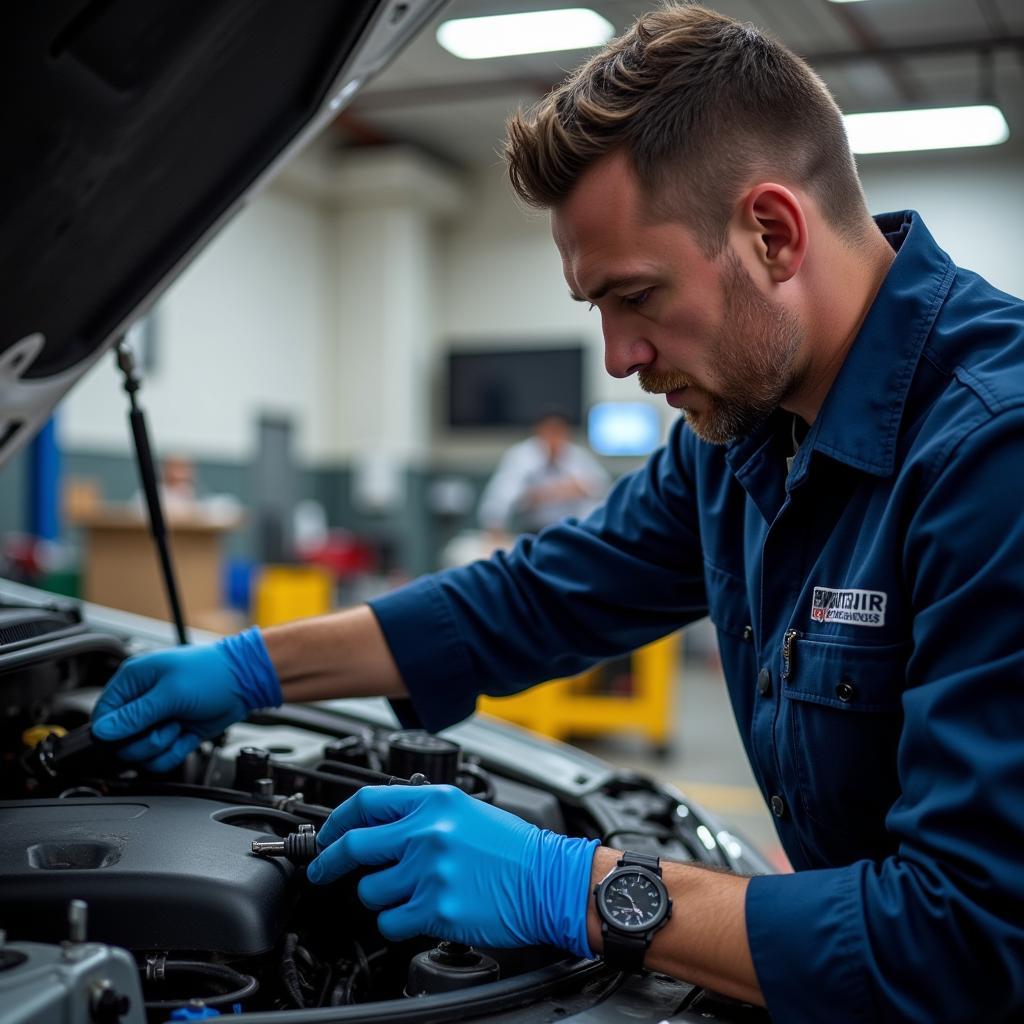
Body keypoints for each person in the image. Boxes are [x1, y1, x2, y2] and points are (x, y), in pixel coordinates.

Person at [89, 5, 1024, 1020]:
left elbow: (967, 940)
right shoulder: (740, 436)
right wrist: (251, 668)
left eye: (638, 296)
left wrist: (573, 889)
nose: (619, 358)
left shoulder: (992, 454)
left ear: (772, 232)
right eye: (598, 310)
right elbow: (538, 596)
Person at [476, 410, 609, 539]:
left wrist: (579, 489)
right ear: (539, 430)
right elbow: (501, 495)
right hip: (534, 531)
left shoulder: (578, 456)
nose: (554, 437)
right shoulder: (521, 456)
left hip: (574, 531)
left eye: (559, 431)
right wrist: (495, 527)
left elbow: (602, 488)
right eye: (550, 431)